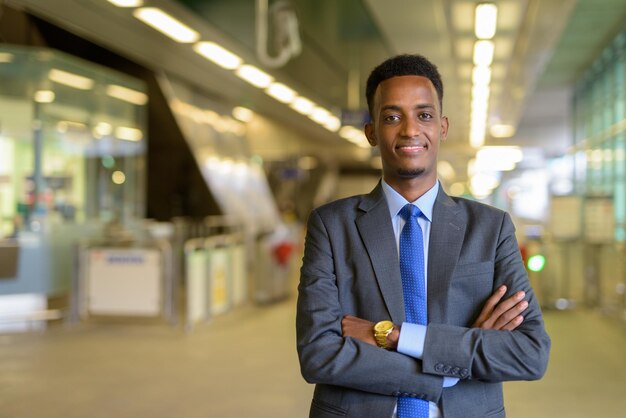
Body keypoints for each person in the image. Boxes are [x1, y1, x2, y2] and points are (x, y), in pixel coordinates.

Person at [296, 54, 550, 418]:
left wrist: (397, 336)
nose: (410, 130)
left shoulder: (490, 228)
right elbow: (318, 354)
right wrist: (444, 371)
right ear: (371, 131)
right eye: (392, 117)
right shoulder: (332, 226)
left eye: (424, 115)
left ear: (442, 127)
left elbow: (529, 353)